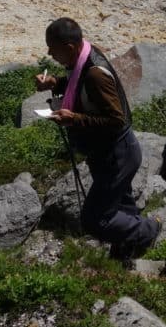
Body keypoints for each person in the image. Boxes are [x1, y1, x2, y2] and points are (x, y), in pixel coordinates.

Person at [37, 18, 159, 261]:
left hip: (116, 154)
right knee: (119, 206)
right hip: (108, 153)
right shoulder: (84, 57)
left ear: (70, 47)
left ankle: (150, 230)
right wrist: (55, 83)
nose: (50, 53)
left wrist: (74, 120)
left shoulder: (95, 74)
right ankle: (127, 252)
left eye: (53, 47)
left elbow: (116, 119)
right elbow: (78, 86)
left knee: (95, 219)